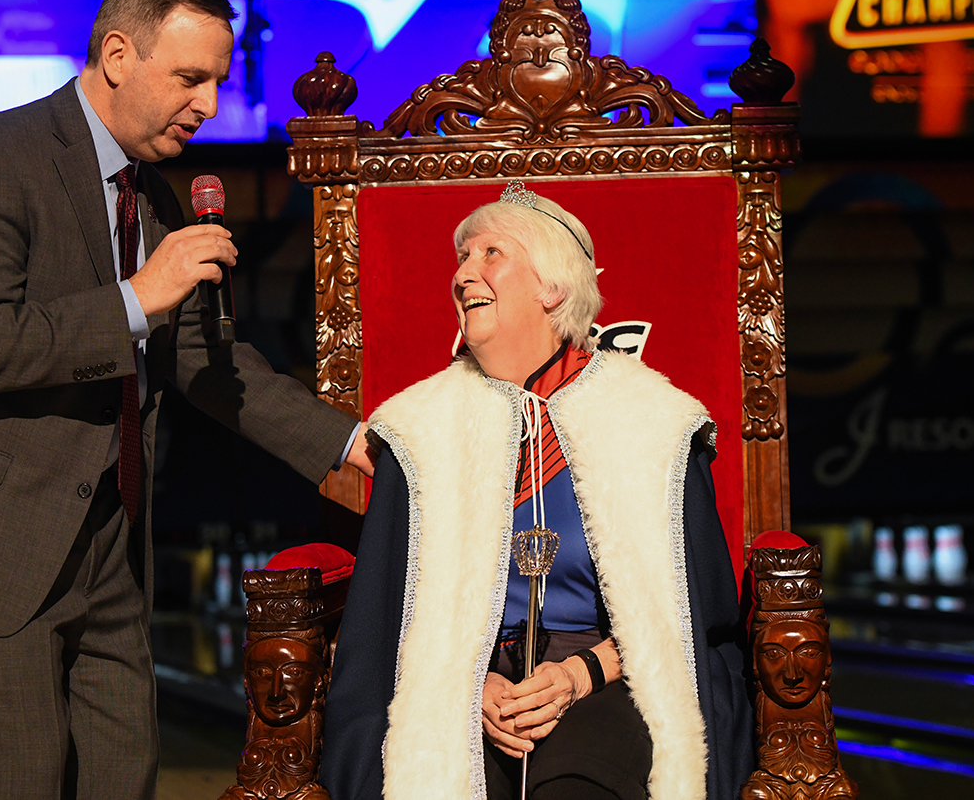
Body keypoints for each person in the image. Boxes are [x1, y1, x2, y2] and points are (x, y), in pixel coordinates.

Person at [0, 0, 367, 799]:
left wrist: (346, 442)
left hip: (108, 552)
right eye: (189, 78)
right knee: (22, 778)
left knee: (126, 775)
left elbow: (205, 364)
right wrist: (136, 297)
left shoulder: (150, 196)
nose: (208, 104)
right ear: (118, 54)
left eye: (218, 83)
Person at [320, 181, 754, 800]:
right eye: (462, 258)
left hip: (605, 682)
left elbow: (687, 622)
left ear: (553, 288)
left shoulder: (656, 424)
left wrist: (579, 674)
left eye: (490, 253)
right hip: (462, 690)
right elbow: (384, 626)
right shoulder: (416, 432)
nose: (464, 273)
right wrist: (475, 687)